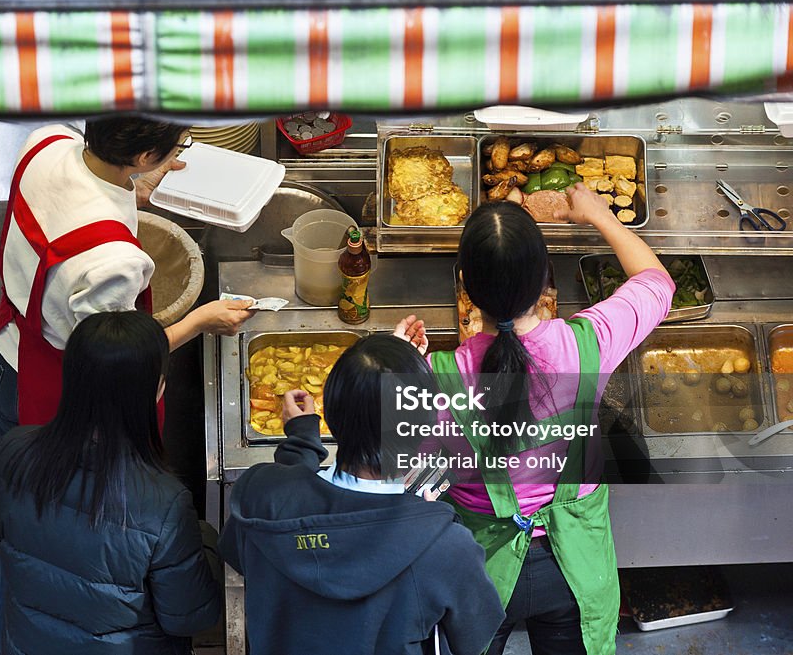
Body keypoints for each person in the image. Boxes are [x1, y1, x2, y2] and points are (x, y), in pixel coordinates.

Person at [415, 186, 675, 655]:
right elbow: (657, 283)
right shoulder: (588, 343)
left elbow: (400, 464)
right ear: (543, 283)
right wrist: (600, 216)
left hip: (482, 571)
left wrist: (405, 363)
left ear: (466, 289)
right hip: (573, 567)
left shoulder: (436, 377)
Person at [219, 334, 505, 655]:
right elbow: (475, 636)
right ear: (425, 429)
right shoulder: (448, 546)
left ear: (331, 417)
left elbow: (237, 552)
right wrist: (423, 521)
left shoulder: (260, 494)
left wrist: (301, 442)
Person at [0, 115, 254, 443]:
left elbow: (65, 203)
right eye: (181, 144)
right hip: (56, 392)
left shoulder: (46, 141)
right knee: (58, 489)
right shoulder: (115, 263)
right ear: (145, 156)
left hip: (6, 357)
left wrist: (131, 183)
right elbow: (123, 358)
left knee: (16, 479)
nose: (181, 148)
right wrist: (200, 322)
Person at [0, 311, 222, 655]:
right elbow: (188, 617)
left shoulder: (12, 450)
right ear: (156, 391)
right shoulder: (165, 505)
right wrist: (206, 540)